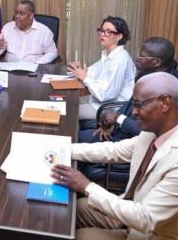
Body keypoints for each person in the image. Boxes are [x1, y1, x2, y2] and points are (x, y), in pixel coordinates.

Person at [51, 72, 178, 239]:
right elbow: (112, 151)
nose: (134, 112)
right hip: (129, 213)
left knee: (81, 236)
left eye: (139, 105)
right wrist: (60, 148)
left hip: (148, 232)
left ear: (164, 103)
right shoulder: (153, 132)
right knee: (70, 207)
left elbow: (146, 218)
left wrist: (86, 186)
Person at [68, 16, 136, 120]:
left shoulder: (120, 59)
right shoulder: (108, 54)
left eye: (108, 32)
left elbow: (107, 94)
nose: (103, 34)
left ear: (119, 36)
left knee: (67, 111)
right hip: (98, 101)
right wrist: (80, 71)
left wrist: (85, 78)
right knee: (68, 101)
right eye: (102, 30)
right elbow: (93, 72)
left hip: (110, 109)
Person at [0, 0, 58, 64]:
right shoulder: (8, 28)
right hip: (9, 68)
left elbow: (53, 52)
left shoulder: (44, 31)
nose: (17, 16)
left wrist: (38, 63)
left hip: (32, 70)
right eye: (16, 13)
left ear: (31, 16)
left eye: (22, 13)